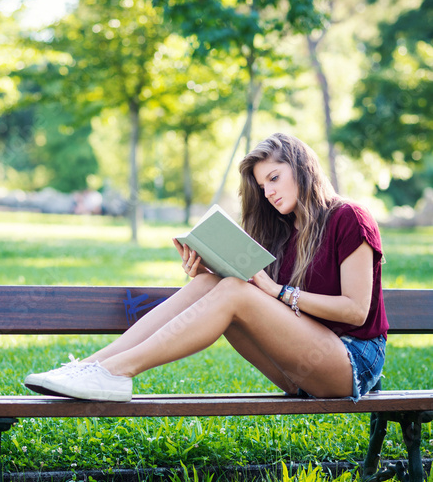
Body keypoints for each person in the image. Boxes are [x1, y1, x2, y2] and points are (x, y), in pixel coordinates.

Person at [24, 132, 388, 403]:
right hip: (298, 369)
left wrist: (276, 291)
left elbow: (356, 311)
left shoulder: (348, 217)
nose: (269, 193)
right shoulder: (280, 231)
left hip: (350, 363)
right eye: (262, 186)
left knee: (230, 289)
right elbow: (266, 310)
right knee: (211, 283)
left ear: (302, 169)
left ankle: (116, 373)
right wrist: (207, 274)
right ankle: (92, 366)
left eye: (274, 178)